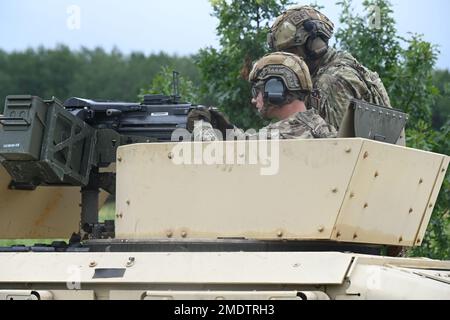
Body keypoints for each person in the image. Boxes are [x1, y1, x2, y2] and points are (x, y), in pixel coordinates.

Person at [268, 5, 394, 133]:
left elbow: (337, 145)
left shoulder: (334, 80)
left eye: (291, 51)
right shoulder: (335, 67)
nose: (288, 60)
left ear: (312, 44)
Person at [187, 52, 336, 141]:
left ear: (275, 90)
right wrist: (229, 130)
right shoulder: (317, 124)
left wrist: (200, 125)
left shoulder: (285, 134)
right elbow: (250, 144)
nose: (253, 99)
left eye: (256, 91)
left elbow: (218, 157)